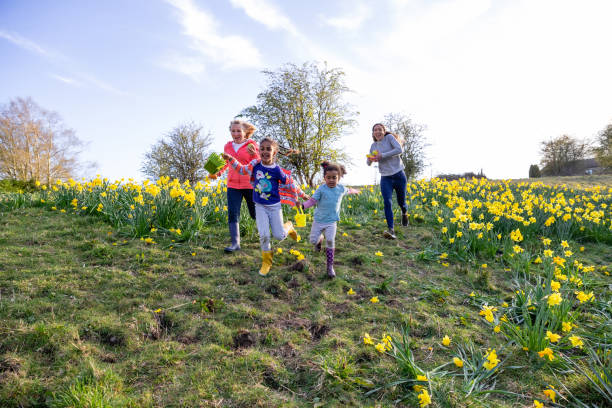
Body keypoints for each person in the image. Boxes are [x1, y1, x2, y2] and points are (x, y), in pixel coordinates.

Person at [222, 138, 299, 276]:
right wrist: (230, 159)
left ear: (274, 152)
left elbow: (290, 184)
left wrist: (299, 197)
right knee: (264, 235)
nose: (264, 151)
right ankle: (266, 262)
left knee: (279, 236)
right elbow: (241, 169)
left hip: (275, 207)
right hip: (260, 206)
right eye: (262, 148)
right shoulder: (255, 164)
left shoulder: (277, 170)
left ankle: (289, 227)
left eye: (268, 149)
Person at [302, 161, 360, 278]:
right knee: (313, 240)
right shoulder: (321, 189)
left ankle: (330, 266)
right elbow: (313, 201)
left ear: (338, 178)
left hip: (331, 222)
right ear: (324, 178)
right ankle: (319, 240)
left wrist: (355, 191)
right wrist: (303, 206)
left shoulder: (340, 189)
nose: (331, 180)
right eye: (328, 178)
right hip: (318, 220)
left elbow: (348, 190)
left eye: (334, 177)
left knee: (331, 241)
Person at [210, 119, 259, 253]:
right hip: (232, 185)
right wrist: (217, 172)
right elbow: (225, 162)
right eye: (233, 131)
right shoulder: (228, 146)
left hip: (249, 184)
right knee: (233, 213)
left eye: (238, 131)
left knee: (255, 214)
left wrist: (254, 152)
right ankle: (235, 243)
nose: (235, 133)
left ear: (245, 132)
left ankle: (268, 235)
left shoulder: (251, 145)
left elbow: (258, 160)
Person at [367, 123, 408, 240]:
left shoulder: (389, 138)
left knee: (402, 202)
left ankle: (404, 213)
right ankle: (391, 229)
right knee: (387, 202)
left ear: (384, 131)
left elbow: (399, 149)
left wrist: (382, 155)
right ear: (373, 133)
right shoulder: (373, 146)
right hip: (386, 178)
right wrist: (370, 159)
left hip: (399, 175)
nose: (378, 132)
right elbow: (368, 163)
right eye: (375, 130)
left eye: (380, 129)